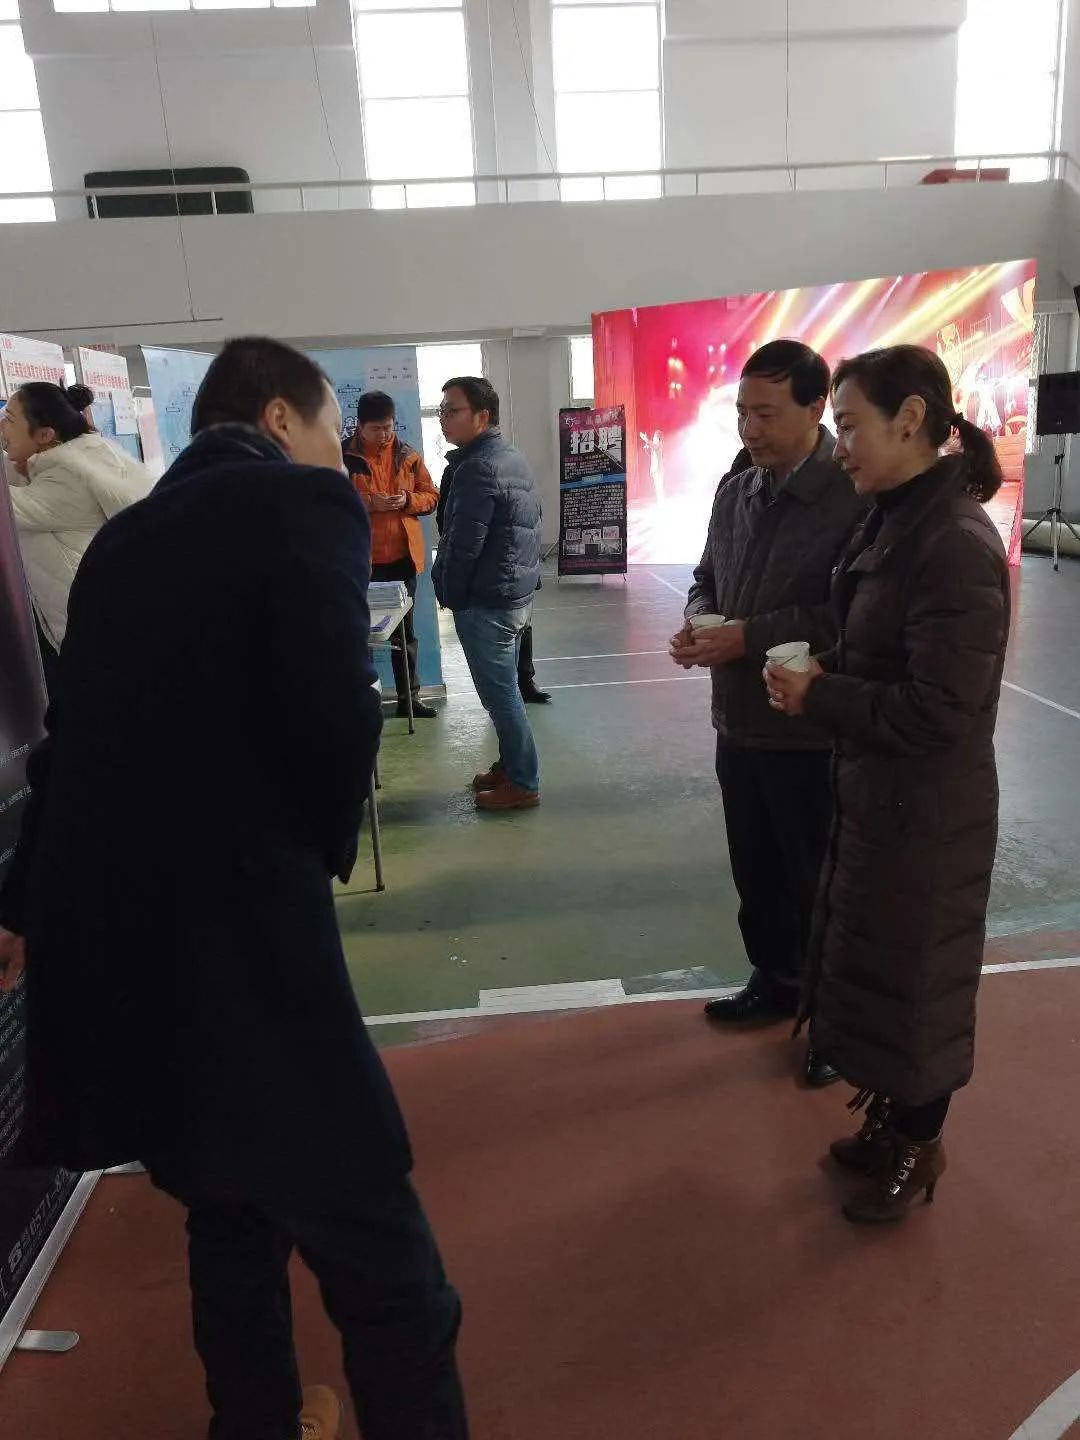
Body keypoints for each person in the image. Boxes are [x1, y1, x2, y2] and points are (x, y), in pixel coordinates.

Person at [0, 338, 468, 1440]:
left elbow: (73, 742)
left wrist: (16, 903)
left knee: (226, 1217)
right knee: (385, 1260)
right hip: (249, 942)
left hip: (122, 950)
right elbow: (335, 711)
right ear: (278, 420)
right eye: (329, 431)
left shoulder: (124, 543)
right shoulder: (302, 504)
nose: (337, 454)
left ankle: (253, 1423)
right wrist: (310, 853)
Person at [766, 344, 1010, 1224]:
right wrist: (828, 667)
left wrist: (821, 695)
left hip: (929, 812)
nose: (840, 448)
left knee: (919, 982)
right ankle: (891, 1121)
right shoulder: (894, 522)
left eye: (848, 427)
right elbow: (886, 653)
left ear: (910, 421)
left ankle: (920, 1142)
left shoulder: (954, 544)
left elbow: (940, 709)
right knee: (875, 966)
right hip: (879, 795)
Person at [669, 340, 866, 1088]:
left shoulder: (850, 498)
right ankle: (776, 979)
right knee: (756, 868)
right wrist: (699, 621)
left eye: (767, 414)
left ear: (817, 409)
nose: (751, 429)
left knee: (816, 877)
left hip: (808, 728)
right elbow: (706, 576)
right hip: (740, 719)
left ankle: (833, 1022)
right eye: (742, 412)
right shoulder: (738, 490)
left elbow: (850, 614)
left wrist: (746, 636)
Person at [432, 376, 542, 811]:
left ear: (482, 416)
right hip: (512, 594)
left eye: (452, 410)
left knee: (501, 697)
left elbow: (463, 545)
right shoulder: (507, 456)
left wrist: (450, 594)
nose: (444, 417)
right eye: (441, 410)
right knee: (505, 690)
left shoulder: (477, 467)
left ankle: (523, 782)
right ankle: (509, 765)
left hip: (488, 600)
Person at [0, 381, 151, 696]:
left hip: (90, 632)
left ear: (45, 435)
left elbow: (9, 505)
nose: (2, 426)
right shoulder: (86, 457)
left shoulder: (69, 479)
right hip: (109, 619)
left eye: (9, 419)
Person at [344, 390, 440, 719]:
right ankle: (365, 701)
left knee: (405, 634)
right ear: (359, 426)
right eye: (377, 429)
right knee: (361, 636)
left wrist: (407, 501)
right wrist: (369, 503)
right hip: (361, 562)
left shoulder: (407, 455)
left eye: (388, 427)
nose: (385, 435)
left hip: (402, 560)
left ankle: (409, 699)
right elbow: (327, 501)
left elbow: (431, 496)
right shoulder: (342, 457)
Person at [436, 451, 550, 706]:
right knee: (496, 646)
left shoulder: (512, 464)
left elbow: (533, 516)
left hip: (517, 564)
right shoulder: (455, 472)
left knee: (523, 628)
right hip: (487, 573)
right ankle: (505, 694)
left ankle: (525, 680)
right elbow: (446, 522)